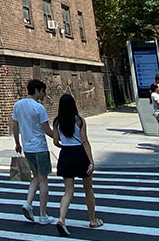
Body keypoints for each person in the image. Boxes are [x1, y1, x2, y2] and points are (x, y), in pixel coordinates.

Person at [52, 94, 103, 237]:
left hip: (66, 154)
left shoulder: (57, 122)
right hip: (80, 153)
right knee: (88, 188)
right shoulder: (80, 121)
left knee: (68, 191)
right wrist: (91, 161)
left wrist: (63, 144)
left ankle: (61, 219)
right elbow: (85, 141)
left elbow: (56, 142)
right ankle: (93, 220)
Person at [12, 79, 57, 226]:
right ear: (37, 90)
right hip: (40, 147)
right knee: (43, 180)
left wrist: (17, 143)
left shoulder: (18, 105)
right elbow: (46, 130)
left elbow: (15, 125)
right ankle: (43, 214)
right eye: (43, 91)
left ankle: (28, 203)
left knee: (35, 177)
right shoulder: (39, 108)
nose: (44, 94)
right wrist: (59, 139)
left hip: (27, 147)